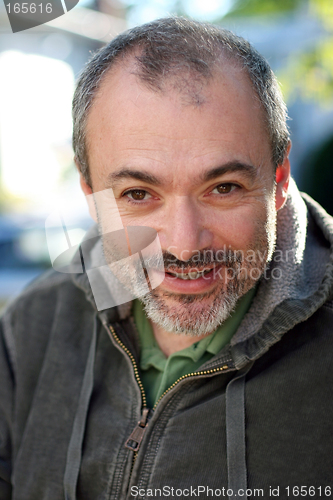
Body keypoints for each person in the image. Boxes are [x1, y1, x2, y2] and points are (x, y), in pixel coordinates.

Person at [0, 17, 332, 500]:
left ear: (279, 177)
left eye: (223, 188)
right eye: (138, 193)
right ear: (91, 193)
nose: (183, 245)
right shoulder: (31, 329)